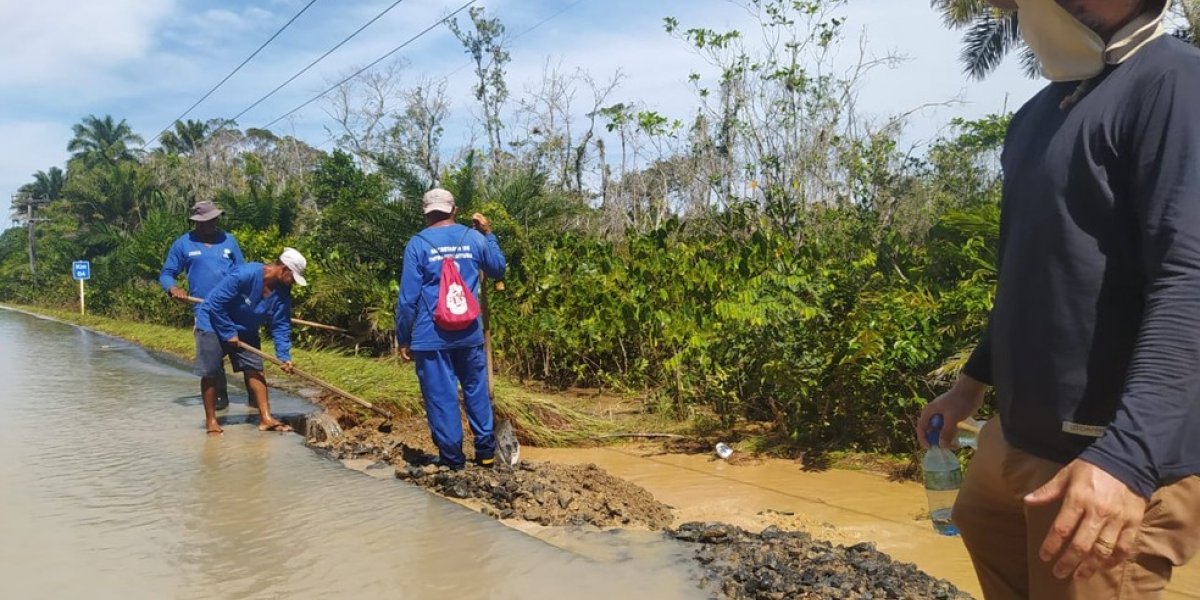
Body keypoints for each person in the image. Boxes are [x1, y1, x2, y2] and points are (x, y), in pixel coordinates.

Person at [917, 0, 1200, 597]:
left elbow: (1189, 279)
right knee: (976, 522)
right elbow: (1030, 270)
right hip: (1014, 438)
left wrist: (1129, 460)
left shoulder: (1175, 82)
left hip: (1107, 461)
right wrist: (970, 384)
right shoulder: (1035, 116)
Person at [395, 188, 506, 470]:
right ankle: (485, 453)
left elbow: (408, 299)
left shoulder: (417, 244)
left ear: (426, 213)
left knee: (441, 396)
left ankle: (453, 460)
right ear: (453, 210)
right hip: (469, 333)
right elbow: (498, 269)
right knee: (475, 389)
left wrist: (404, 338)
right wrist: (488, 233)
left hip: (430, 337)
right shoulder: (474, 238)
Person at [194, 248, 309, 436]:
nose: (293, 283)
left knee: (255, 368)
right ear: (283, 269)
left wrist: (284, 355)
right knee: (211, 371)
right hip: (213, 322)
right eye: (293, 277)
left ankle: (265, 418)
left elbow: (280, 325)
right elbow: (216, 303)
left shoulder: (283, 293)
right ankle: (211, 421)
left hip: (246, 328)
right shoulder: (245, 274)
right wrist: (229, 332)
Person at [160, 200, 245, 410]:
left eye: (214, 219)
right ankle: (219, 397)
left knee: (246, 356)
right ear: (197, 222)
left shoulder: (229, 241)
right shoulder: (183, 244)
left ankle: (257, 403)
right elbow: (167, 274)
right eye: (207, 221)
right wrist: (173, 289)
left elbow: (242, 272)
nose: (212, 224)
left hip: (233, 307)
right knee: (211, 357)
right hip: (204, 309)